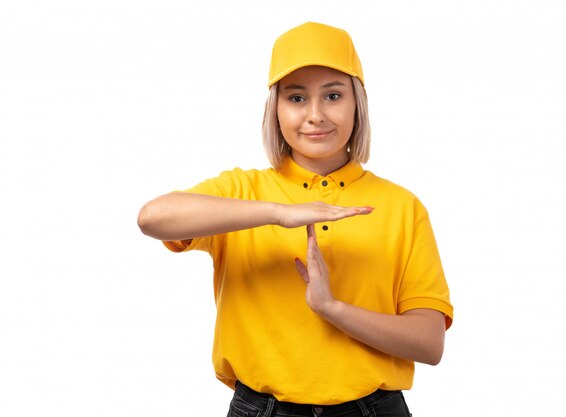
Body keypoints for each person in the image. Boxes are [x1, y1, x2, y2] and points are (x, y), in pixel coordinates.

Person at [138, 21, 453, 417]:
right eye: (297, 98)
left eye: (333, 95)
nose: (315, 115)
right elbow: (153, 217)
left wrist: (333, 309)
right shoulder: (242, 192)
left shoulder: (401, 206)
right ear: (276, 108)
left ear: (357, 103)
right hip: (261, 409)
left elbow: (429, 343)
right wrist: (279, 213)